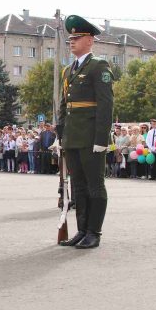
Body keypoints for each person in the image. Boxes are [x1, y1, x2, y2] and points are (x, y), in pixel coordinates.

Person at [56, 15, 114, 249]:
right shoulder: (68, 70)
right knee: (78, 186)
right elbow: (63, 106)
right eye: (70, 38)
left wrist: (101, 139)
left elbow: (106, 104)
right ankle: (81, 230)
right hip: (73, 137)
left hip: (91, 137)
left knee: (94, 185)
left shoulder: (99, 66)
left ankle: (94, 231)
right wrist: (61, 136)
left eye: (77, 37)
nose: (72, 41)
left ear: (89, 40)